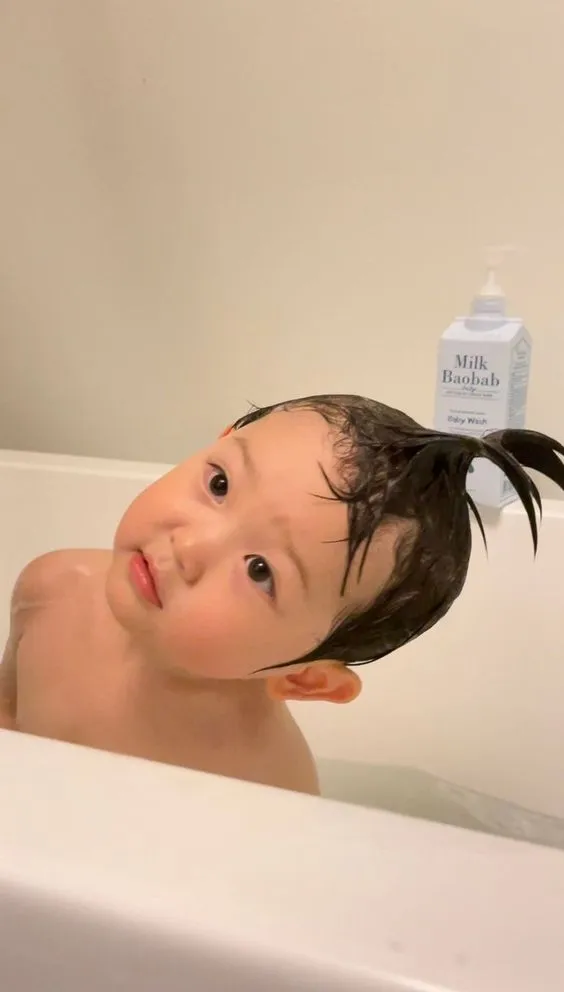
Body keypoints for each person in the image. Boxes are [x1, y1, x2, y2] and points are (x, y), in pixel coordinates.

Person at [1, 394, 563, 795]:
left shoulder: (264, 790)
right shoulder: (52, 590)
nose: (189, 546)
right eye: (219, 484)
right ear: (220, 440)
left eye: (260, 571)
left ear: (305, 679)